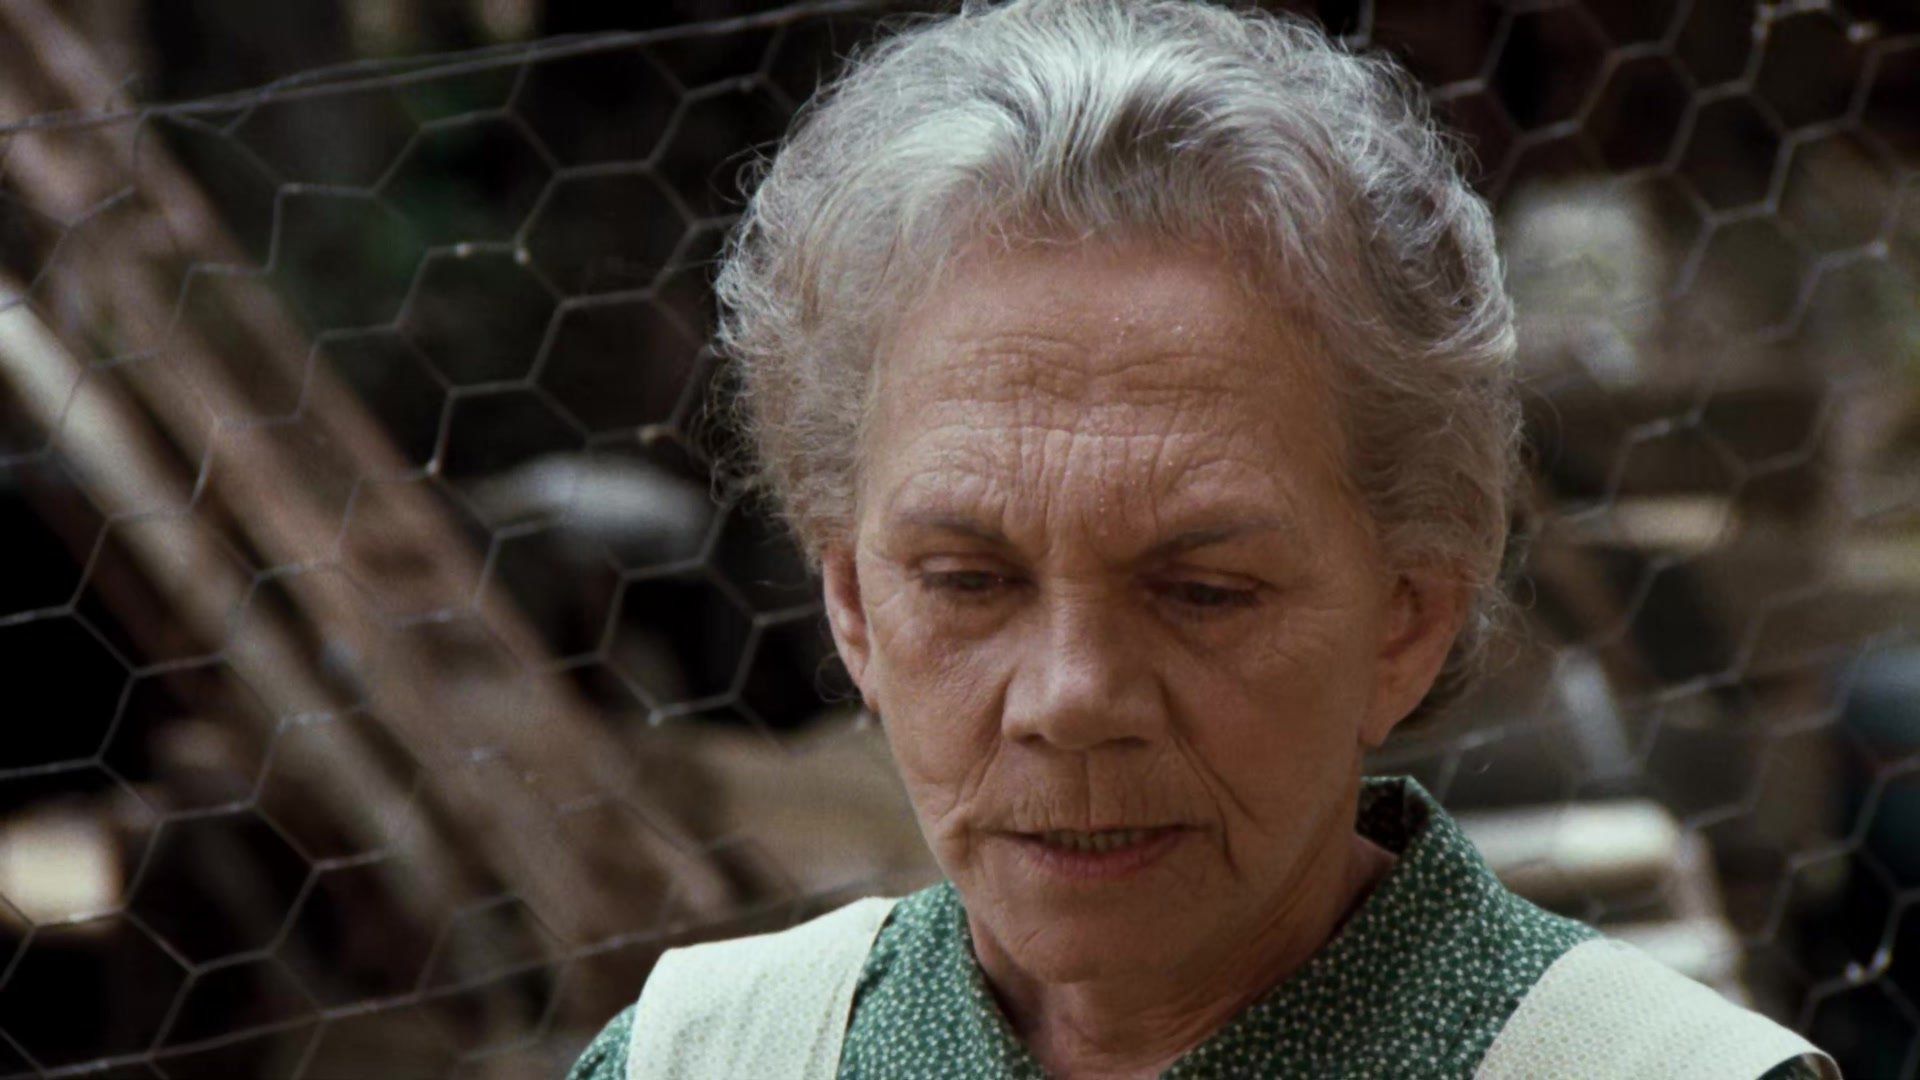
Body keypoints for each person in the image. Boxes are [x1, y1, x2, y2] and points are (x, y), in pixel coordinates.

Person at [570, 1, 1838, 1076]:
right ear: (851, 604)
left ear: (1409, 616)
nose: (1073, 700)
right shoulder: (704, 1057)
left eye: (1205, 591)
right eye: (966, 582)